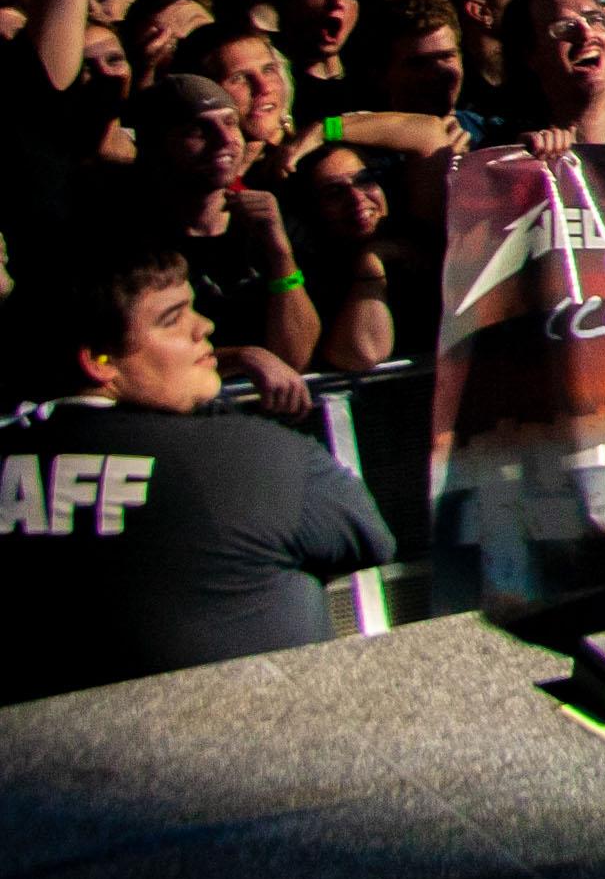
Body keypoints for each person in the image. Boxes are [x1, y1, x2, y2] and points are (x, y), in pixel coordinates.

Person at [0, 222, 394, 702]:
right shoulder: (249, 457)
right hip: (255, 730)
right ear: (99, 360)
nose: (204, 327)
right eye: (172, 319)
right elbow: (369, 537)